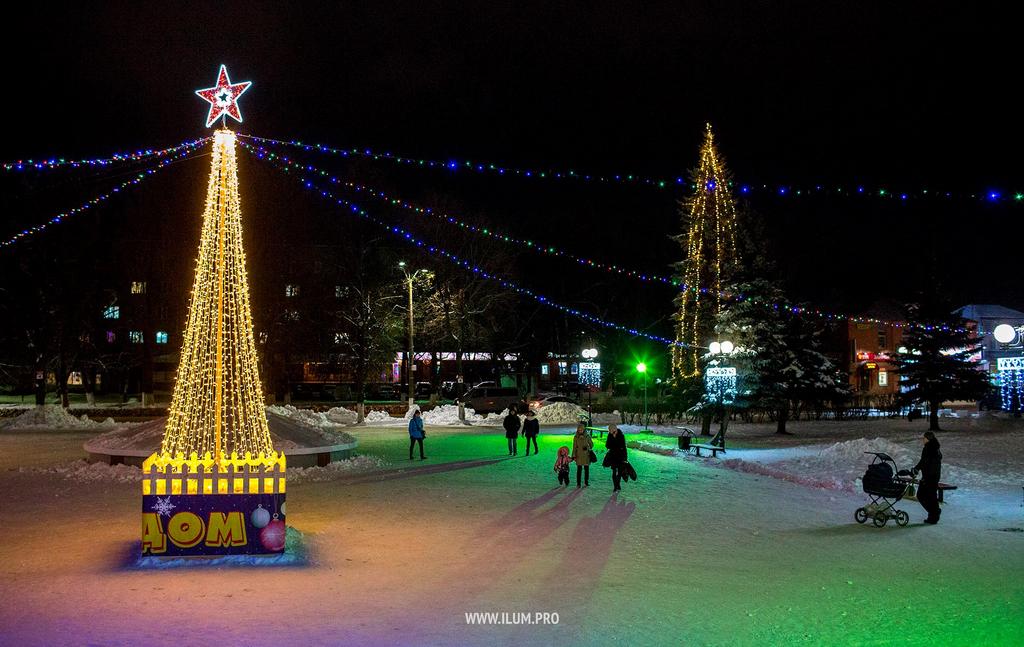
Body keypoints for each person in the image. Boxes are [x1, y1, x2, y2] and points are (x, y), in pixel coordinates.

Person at [912, 431, 942, 524]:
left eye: (924, 438)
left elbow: (927, 463)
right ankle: (934, 513)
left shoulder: (930, 449)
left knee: (925, 496)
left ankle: (934, 514)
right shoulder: (932, 448)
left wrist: (920, 471)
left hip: (930, 477)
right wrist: (917, 469)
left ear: (928, 439)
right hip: (930, 476)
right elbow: (924, 461)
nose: (923, 439)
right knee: (928, 496)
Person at [603, 423, 628, 491]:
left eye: (611, 430)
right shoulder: (610, 435)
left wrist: (625, 457)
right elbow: (607, 445)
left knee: (620, 472)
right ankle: (615, 486)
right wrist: (612, 439)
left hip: (620, 456)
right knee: (614, 472)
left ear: (614, 429)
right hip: (613, 456)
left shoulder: (621, 435)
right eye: (609, 431)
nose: (610, 432)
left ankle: (618, 484)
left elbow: (623, 446)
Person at [571, 423, 593, 487]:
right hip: (579, 455)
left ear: (584, 430)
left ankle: (586, 482)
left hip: (586, 455)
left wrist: (587, 447)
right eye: (579, 430)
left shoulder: (587, 436)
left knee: (586, 469)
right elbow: (574, 447)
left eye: (581, 430)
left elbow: (591, 445)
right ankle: (578, 483)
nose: (580, 431)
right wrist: (573, 455)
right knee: (579, 470)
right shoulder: (576, 437)